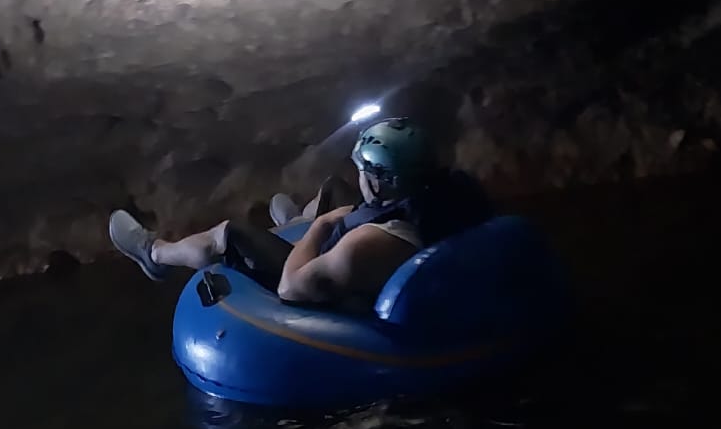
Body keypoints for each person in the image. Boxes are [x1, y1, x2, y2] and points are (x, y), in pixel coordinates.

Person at [107, 118, 494, 312]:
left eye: (362, 169)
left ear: (378, 182)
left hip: (341, 289)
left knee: (231, 233)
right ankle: (295, 221)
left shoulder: (367, 244)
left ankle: (154, 254)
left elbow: (290, 289)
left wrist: (320, 225)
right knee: (332, 188)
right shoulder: (450, 192)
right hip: (395, 248)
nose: (358, 173)